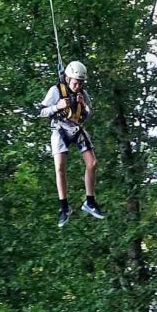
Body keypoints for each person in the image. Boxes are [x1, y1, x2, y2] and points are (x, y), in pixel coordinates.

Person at [39, 60, 105, 227]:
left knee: (93, 163)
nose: (78, 86)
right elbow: (41, 111)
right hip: (60, 129)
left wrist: (84, 105)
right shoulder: (56, 91)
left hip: (76, 128)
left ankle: (90, 201)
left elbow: (88, 114)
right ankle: (64, 207)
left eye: (81, 83)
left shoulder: (83, 93)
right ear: (68, 79)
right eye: (76, 82)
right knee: (60, 167)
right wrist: (57, 106)